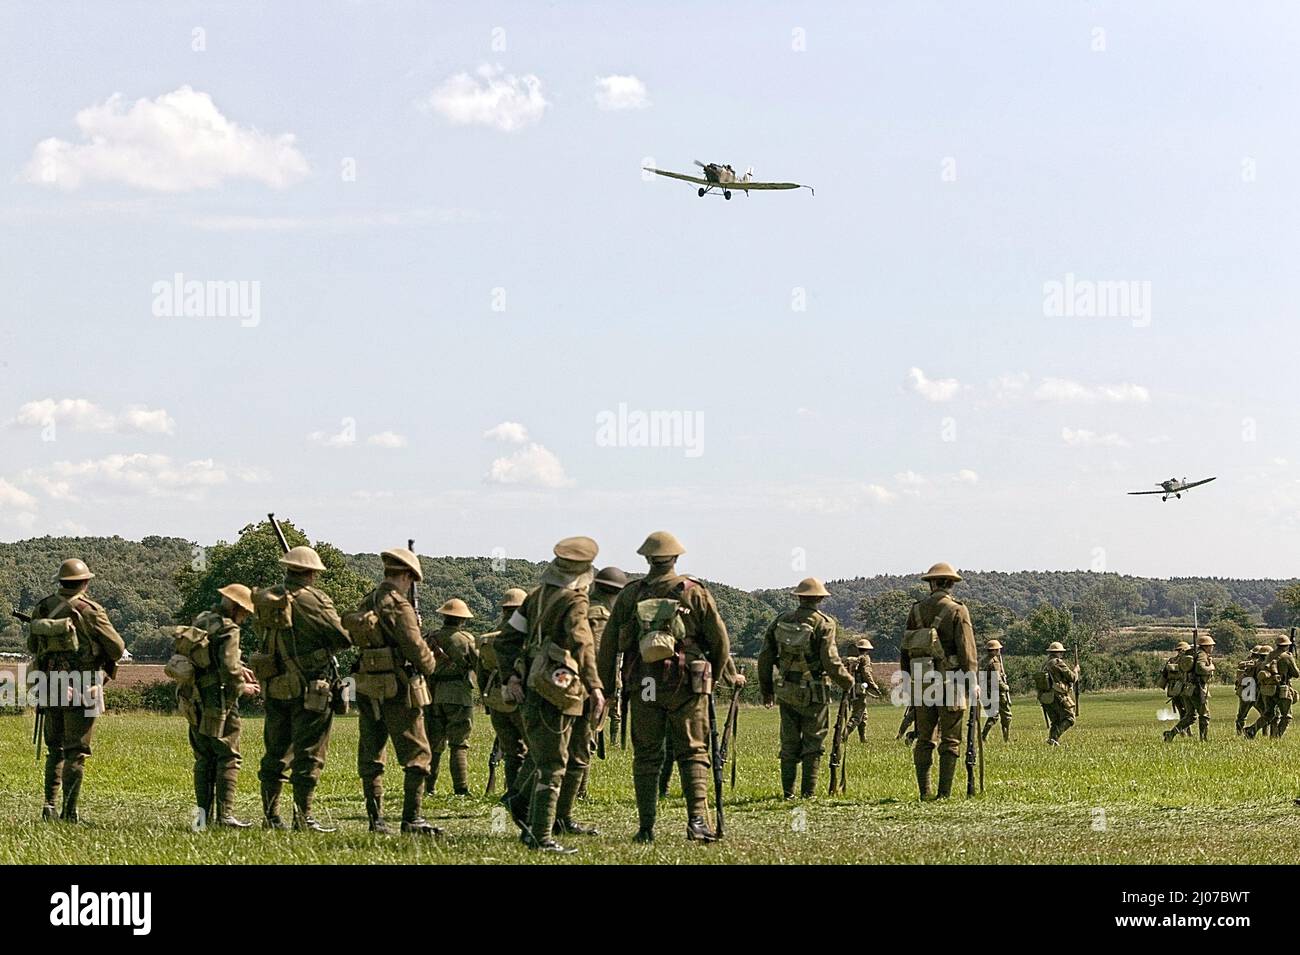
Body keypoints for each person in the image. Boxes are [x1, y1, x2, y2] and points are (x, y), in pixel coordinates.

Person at [596, 531, 732, 843]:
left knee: (646, 755)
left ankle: (646, 828)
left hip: (643, 683)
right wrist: (716, 674)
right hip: (687, 684)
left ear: (646, 558)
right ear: (676, 558)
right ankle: (697, 821)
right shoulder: (695, 593)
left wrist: (607, 688)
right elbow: (720, 641)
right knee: (693, 751)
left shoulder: (631, 595)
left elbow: (609, 645)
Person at [495, 537, 606, 853]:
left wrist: (511, 677)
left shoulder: (536, 597)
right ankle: (539, 836)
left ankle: (520, 805)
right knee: (554, 764)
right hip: (558, 691)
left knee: (544, 757)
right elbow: (583, 644)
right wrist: (596, 687)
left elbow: (505, 642)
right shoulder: (576, 601)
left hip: (533, 685)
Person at [253, 545, 352, 832]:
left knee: (275, 752)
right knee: (309, 753)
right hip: (310, 687)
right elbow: (342, 636)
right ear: (311, 572)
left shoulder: (269, 597)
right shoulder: (313, 599)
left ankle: (271, 817)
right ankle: (303, 817)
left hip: (275, 684)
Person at [27, 558, 126, 822]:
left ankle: (49, 806)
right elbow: (116, 648)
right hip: (82, 685)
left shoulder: (43, 607)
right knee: (76, 751)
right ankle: (70, 813)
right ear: (85, 582)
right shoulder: (91, 610)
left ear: (60, 581)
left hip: (49, 684)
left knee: (54, 749)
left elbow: (31, 645)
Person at [350, 548, 440, 835]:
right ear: (406, 576)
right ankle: (411, 819)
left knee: (372, 752)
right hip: (399, 687)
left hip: (367, 684)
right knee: (417, 753)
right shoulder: (399, 606)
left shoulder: (369, 600)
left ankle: (375, 820)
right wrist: (430, 664)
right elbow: (416, 649)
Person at [756, 577, 855, 798]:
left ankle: (787, 793)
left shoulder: (781, 620)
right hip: (814, 693)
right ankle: (808, 794)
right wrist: (848, 682)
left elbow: (765, 657)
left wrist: (767, 690)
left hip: (786, 690)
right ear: (819, 598)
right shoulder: (824, 623)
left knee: (789, 743)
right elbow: (830, 661)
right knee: (813, 743)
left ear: (799, 597)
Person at [181, 583, 259, 828]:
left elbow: (209, 658)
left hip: (194, 696)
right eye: (245, 612)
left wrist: (239, 667)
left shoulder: (204, 619)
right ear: (235, 607)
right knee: (228, 756)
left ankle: (201, 820)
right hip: (219, 701)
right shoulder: (229, 628)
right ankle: (224, 817)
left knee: (203, 758)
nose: (245, 617)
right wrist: (242, 687)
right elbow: (227, 667)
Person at [899, 563, 978, 799]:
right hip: (951, 682)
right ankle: (943, 794)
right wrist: (972, 680)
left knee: (924, 738)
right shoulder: (958, 610)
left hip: (922, 683)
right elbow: (967, 651)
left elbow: (905, 649)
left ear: (931, 583)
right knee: (950, 740)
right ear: (951, 584)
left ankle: (925, 793)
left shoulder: (915, 611)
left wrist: (908, 680)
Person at [475, 589, 529, 796]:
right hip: (520, 698)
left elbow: (481, 676)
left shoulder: (486, 640)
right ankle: (520, 793)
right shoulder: (524, 638)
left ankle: (511, 793)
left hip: (497, 700)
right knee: (533, 751)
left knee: (511, 751)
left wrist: (487, 704)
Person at [424, 598, 478, 796]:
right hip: (458, 695)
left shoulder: (431, 638)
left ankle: (428, 788)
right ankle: (461, 789)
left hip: (433, 695)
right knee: (459, 743)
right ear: (462, 620)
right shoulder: (465, 639)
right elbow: (477, 663)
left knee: (434, 745)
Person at [1164, 634, 1214, 742]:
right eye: (1210, 645)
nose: (1212, 647)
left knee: (1190, 716)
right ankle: (1203, 739)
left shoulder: (1194, 653)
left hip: (1188, 688)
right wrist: (1211, 667)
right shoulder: (1201, 655)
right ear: (1206, 646)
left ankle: (1171, 734)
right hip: (1197, 689)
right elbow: (1201, 668)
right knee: (1204, 715)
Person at [844, 637, 882, 743]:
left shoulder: (852, 659)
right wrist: (874, 686)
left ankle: (863, 738)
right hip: (860, 689)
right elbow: (866, 673)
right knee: (858, 714)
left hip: (851, 688)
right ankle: (844, 734)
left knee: (863, 714)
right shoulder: (865, 658)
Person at [1040, 642, 1078, 744]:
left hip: (1045, 697)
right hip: (1057, 695)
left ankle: (1052, 740)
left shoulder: (1045, 664)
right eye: (1061, 652)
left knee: (1055, 721)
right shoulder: (1057, 662)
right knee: (1070, 718)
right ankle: (1054, 738)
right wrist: (1076, 670)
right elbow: (1072, 677)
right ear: (1059, 652)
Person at [979, 639, 1012, 742]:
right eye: (997, 649)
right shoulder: (994, 662)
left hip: (986, 692)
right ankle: (1006, 739)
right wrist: (1005, 687)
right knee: (1006, 716)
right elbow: (997, 680)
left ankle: (983, 736)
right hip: (997, 692)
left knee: (993, 715)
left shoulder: (983, 661)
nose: (999, 651)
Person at [1233, 644, 1267, 736]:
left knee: (1242, 715)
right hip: (1252, 691)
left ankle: (1239, 733)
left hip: (1249, 691)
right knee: (1264, 713)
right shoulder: (1254, 663)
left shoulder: (1249, 663)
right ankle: (1264, 733)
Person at [1160, 641, 1192, 736]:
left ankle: (1185, 732)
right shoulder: (1185, 661)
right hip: (1183, 689)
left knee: (1182, 712)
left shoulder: (1171, 660)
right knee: (1187, 713)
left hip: (1173, 689)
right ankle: (1184, 731)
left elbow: (1164, 674)